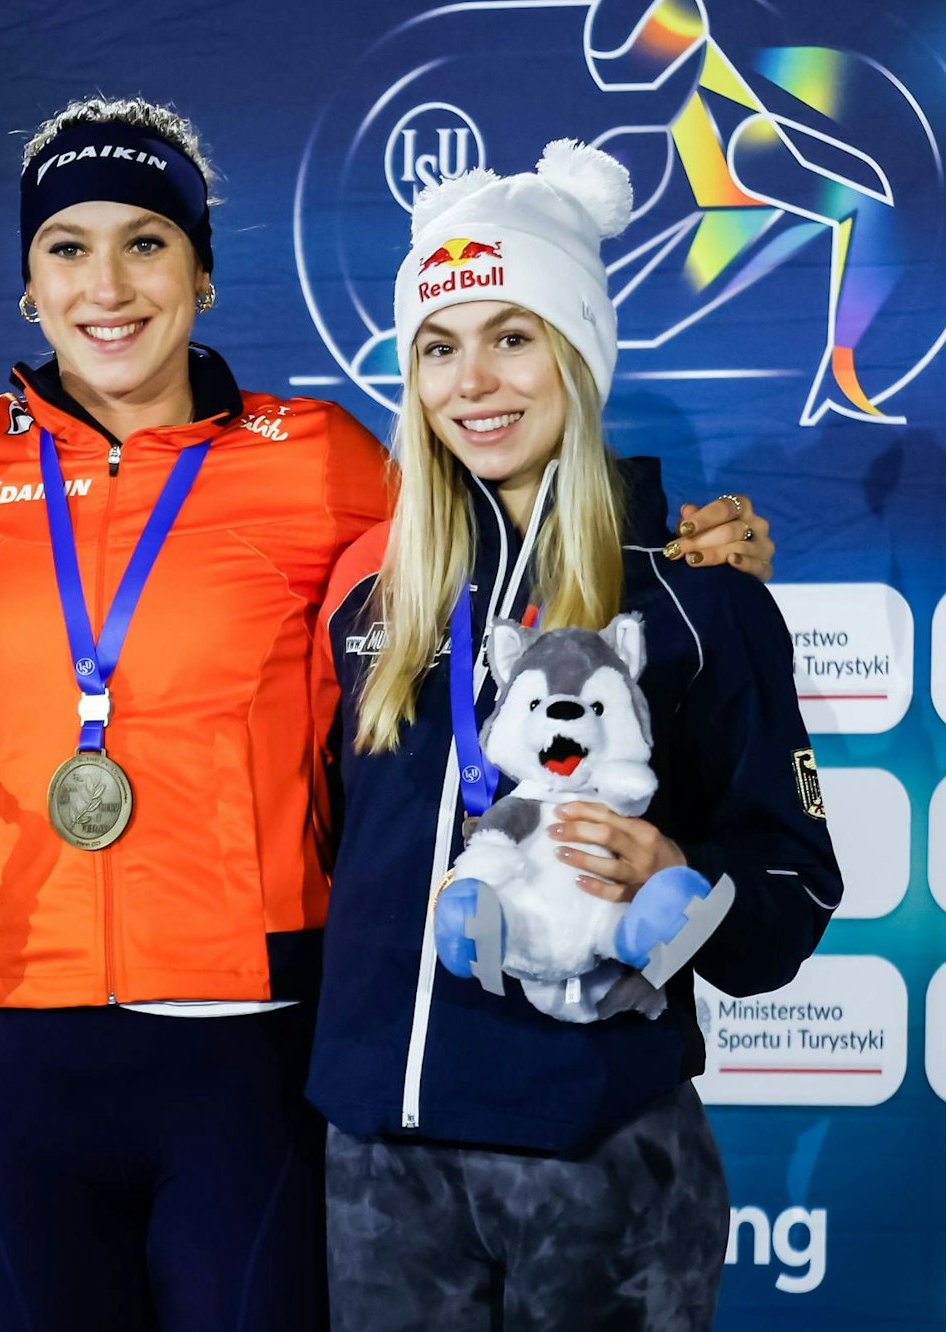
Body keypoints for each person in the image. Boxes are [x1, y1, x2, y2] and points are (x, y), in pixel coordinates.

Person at [0, 99, 770, 1332]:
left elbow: (499, 525)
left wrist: (674, 542)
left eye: (146, 242)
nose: (107, 283)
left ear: (202, 273)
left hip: (246, 1045)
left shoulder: (314, 458)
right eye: (65, 247)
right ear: (27, 287)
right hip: (26, 1046)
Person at [310, 141, 840, 1331]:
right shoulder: (377, 615)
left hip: (597, 1163)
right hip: (380, 1169)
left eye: (512, 334)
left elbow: (785, 897)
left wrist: (683, 883)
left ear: (578, 351)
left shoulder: (698, 606)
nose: (473, 381)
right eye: (438, 348)